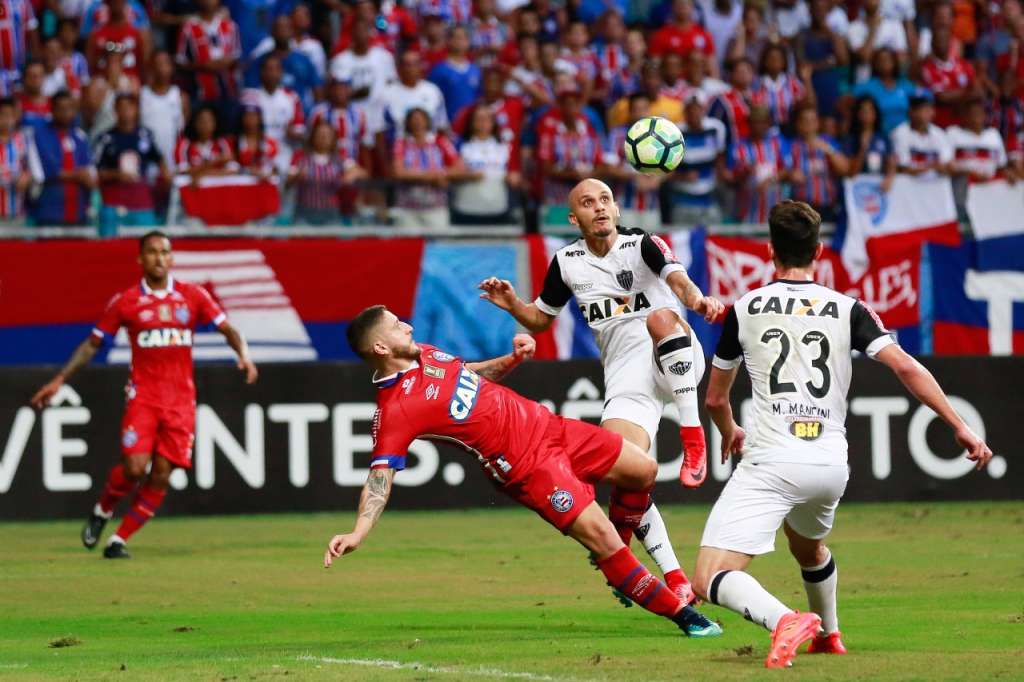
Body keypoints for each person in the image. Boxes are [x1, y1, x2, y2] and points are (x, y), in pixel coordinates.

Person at [691, 199, 993, 668]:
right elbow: (906, 367)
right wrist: (959, 426)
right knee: (806, 545)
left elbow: (714, 398)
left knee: (708, 576)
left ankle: (784, 620)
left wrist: (730, 430)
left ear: (770, 251)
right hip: (831, 464)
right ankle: (829, 634)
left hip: (773, 459)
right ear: (820, 252)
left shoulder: (744, 308)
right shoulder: (849, 309)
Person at [322, 304, 721, 639]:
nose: (406, 325)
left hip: (551, 428)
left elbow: (469, 377)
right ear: (380, 345)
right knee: (601, 541)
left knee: (643, 470)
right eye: (396, 325)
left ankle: (621, 550)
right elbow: (380, 477)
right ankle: (683, 615)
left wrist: (510, 361)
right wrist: (359, 531)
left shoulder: (425, 353)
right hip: (529, 469)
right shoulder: (396, 410)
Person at [479, 177, 725, 608]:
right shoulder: (567, 262)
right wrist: (514, 305)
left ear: (616, 209)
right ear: (575, 217)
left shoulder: (642, 244)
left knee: (660, 319)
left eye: (606, 200)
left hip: (675, 356)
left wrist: (699, 299)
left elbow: (679, 281)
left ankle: (693, 436)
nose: (600, 208)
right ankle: (675, 577)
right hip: (628, 381)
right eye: (589, 203)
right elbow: (540, 319)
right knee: (627, 469)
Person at [30, 231, 259, 559]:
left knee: (162, 473)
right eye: (152, 252)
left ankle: (119, 540)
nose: (159, 258)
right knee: (136, 468)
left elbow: (227, 328)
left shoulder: (192, 296)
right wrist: (60, 380)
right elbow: (92, 344)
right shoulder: (125, 302)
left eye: (165, 252)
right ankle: (103, 510)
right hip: (144, 396)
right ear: (140, 259)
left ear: (172, 258)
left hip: (180, 401)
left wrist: (244, 355)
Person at [92, 92, 168, 234]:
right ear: (115, 110)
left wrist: (165, 179)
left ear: (136, 109)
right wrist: (116, 175)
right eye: (122, 107)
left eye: (130, 107)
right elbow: (94, 172)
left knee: (147, 243)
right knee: (110, 248)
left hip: (141, 202)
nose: (126, 111)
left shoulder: (146, 135)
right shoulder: (105, 139)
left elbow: (159, 159)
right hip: (113, 203)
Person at [29, 90, 96, 226]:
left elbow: (89, 172)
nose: (66, 112)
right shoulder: (39, 136)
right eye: (61, 108)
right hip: (49, 211)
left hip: (79, 211)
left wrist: (84, 177)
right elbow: (43, 172)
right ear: (52, 110)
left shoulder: (80, 137)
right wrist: (78, 175)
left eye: (69, 108)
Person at [288, 119, 366, 224]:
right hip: (304, 213)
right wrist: (297, 177)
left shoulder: (340, 158)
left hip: (331, 213)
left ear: (333, 138)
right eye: (320, 134)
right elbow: (287, 182)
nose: (323, 138)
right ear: (313, 137)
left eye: (327, 135)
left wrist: (352, 174)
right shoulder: (300, 157)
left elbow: (362, 173)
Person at [788, 104, 848, 221]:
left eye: (812, 120)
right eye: (805, 120)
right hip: (801, 208)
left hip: (827, 207)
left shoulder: (829, 142)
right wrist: (790, 174)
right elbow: (784, 170)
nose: (809, 124)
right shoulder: (791, 146)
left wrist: (828, 150)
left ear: (818, 123)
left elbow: (844, 169)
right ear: (798, 124)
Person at [140, 50, 187, 170]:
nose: (161, 68)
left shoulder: (180, 96)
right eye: (157, 63)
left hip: (173, 159)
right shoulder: (142, 95)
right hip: (148, 159)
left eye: (165, 63)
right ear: (151, 67)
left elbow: (182, 130)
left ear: (172, 67)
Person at [891, 94, 953, 177]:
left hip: (937, 185)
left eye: (930, 109)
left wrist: (930, 167)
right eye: (924, 109)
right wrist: (933, 166)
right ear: (911, 112)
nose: (929, 113)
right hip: (907, 185)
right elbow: (903, 168)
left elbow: (946, 165)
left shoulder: (939, 134)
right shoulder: (900, 133)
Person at [0, 96, 39, 224]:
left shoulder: (24, 140)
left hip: (17, 214)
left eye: (10, 115)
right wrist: (10, 175)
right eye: (3, 115)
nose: (6, 120)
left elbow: (36, 172)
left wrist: (27, 177)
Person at [844, 94, 897, 190]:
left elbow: (891, 162)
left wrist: (889, 178)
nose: (866, 114)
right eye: (863, 111)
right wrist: (862, 149)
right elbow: (851, 173)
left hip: (880, 187)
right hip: (859, 188)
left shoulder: (883, 137)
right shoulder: (851, 139)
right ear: (858, 114)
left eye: (870, 111)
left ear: (875, 114)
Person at [173, 104, 235, 179]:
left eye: (209, 120)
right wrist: (215, 161)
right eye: (201, 120)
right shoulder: (184, 145)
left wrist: (202, 174)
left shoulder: (223, 143)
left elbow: (233, 170)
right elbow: (183, 172)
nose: (205, 124)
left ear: (215, 123)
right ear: (194, 123)